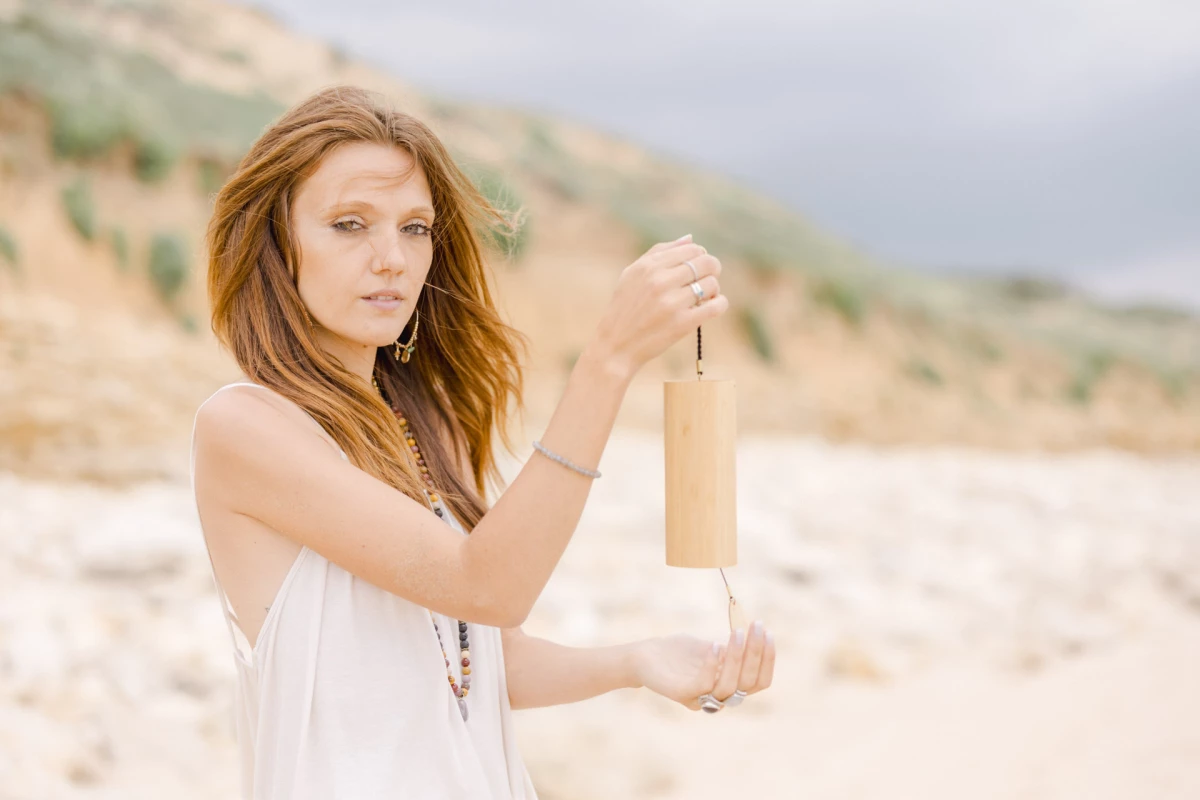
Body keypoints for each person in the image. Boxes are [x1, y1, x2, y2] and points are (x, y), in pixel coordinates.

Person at [189, 84, 774, 799]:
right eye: (349, 224)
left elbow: (469, 657)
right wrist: (609, 361)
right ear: (277, 245)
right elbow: (488, 586)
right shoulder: (245, 427)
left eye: (415, 227)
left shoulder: (420, 423)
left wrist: (635, 661)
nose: (392, 259)